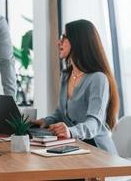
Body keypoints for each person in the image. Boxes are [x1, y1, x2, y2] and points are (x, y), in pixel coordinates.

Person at [33, 19, 119, 154]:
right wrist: (45, 121)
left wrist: (70, 131)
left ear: (79, 42)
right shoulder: (66, 76)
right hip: (74, 147)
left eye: (64, 37)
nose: (58, 42)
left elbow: (94, 123)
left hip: (98, 152)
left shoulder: (98, 78)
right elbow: (61, 114)